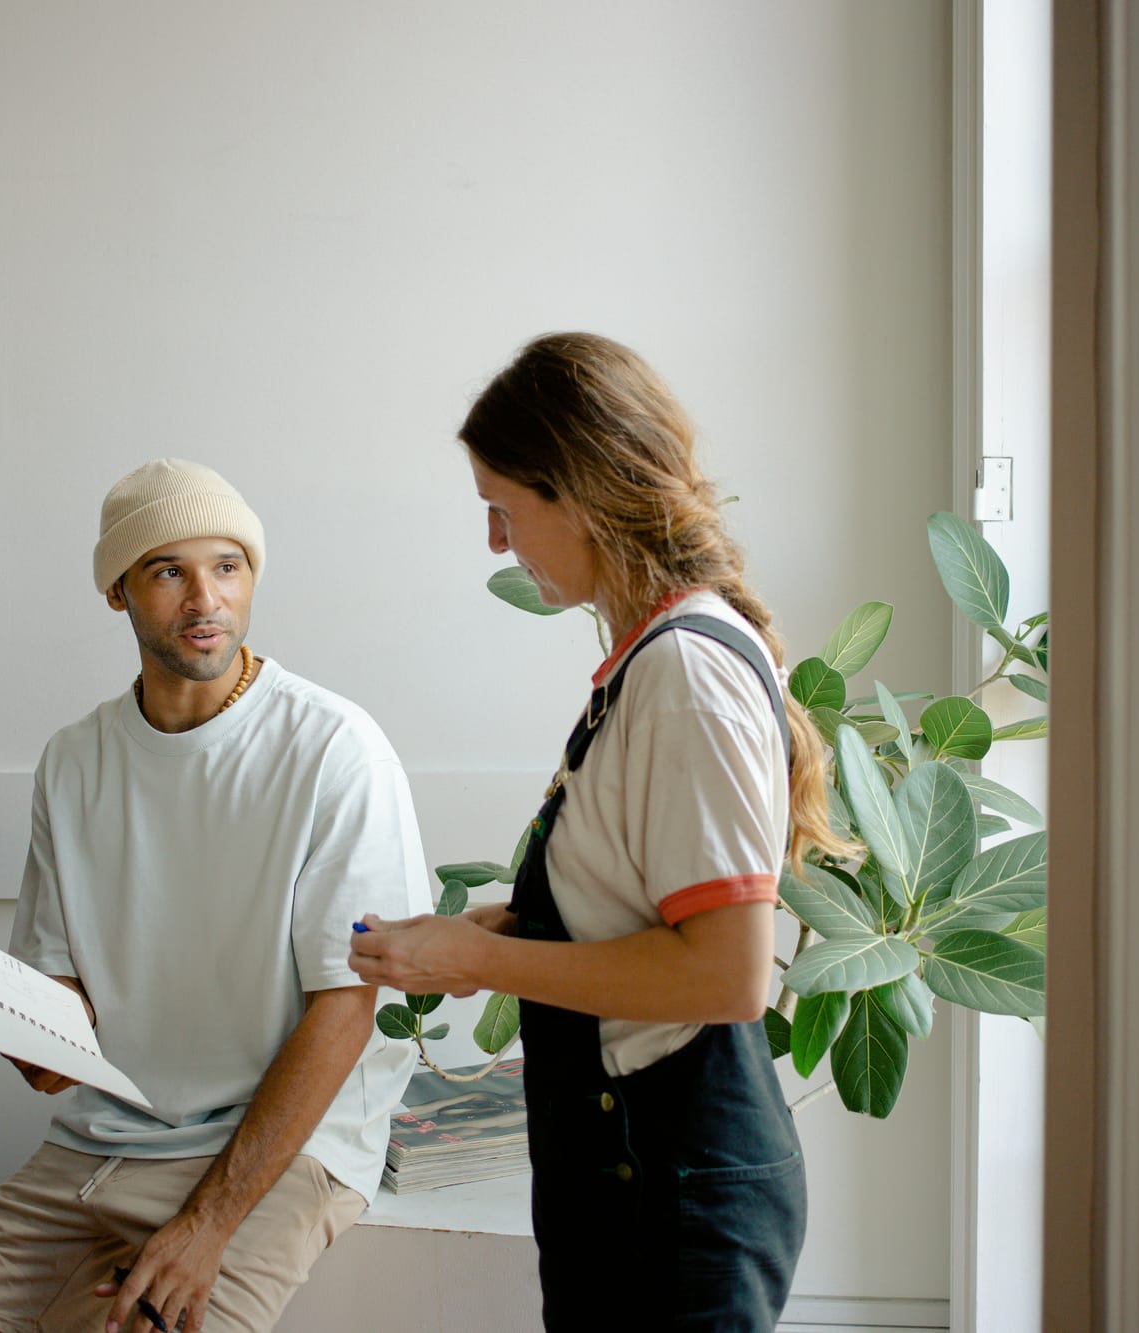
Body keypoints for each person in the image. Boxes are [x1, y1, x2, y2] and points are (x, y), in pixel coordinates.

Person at [348, 333, 847, 1331]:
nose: (496, 540)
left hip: (668, 1193)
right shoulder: (652, 664)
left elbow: (726, 977)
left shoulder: (683, 677)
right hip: (637, 1185)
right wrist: (502, 929)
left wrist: (478, 961)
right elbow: (638, 904)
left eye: (503, 506)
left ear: (574, 493)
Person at [0, 459, 433, 1333]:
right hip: (102, 1138)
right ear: (117, 590)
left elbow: (346, 1009)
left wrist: (208, 1224)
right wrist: (33, 1035)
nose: (205, 599)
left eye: (228, 565)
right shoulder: (74, 761)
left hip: (278, 1152)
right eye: (168, 571)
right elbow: (63, 988)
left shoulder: (335, 749)